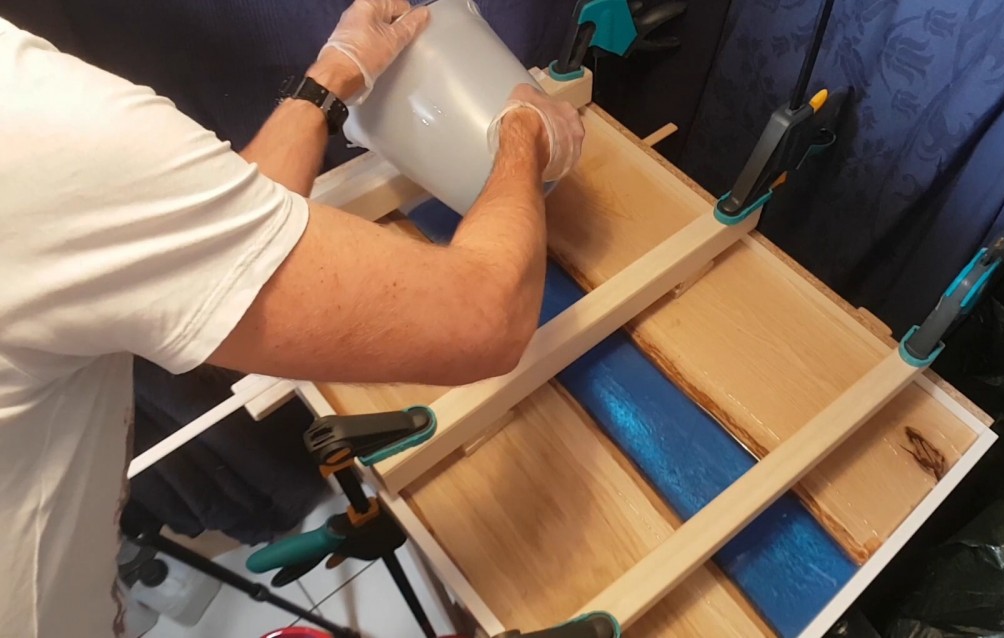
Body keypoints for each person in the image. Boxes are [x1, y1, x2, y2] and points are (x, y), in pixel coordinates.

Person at [0, 0, 586, 634]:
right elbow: (484, 319)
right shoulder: (37, 123)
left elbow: (212, 240)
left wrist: (330, 81)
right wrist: (520, 132)